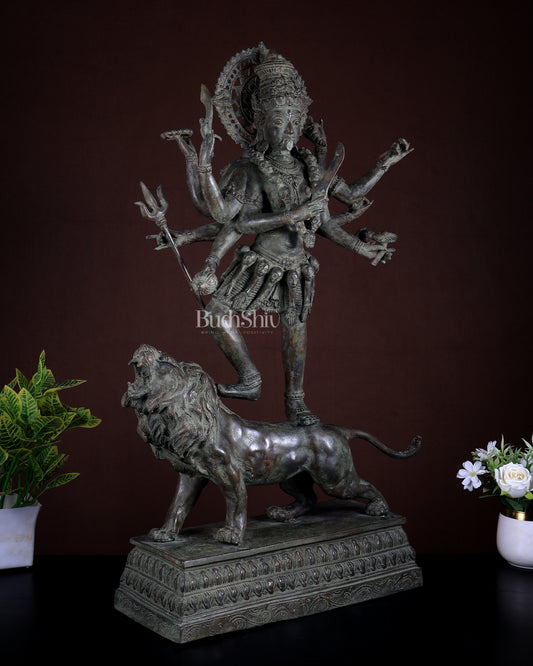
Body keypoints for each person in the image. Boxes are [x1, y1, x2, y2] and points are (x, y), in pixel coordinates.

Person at [146, 44, 411, 426]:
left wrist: (384, 165)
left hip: (297, 266)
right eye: (279, 120)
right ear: (258, 121)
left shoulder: (308, 165)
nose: (289, 130)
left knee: (295, 330)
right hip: (261, 262)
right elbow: (233, 222)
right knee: (216, 314)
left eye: (294, 120)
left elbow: (343, 204)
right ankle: (250, 379)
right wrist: (199, 179)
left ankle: (295, 402)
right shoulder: (249, 169)